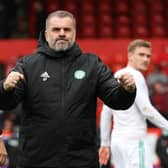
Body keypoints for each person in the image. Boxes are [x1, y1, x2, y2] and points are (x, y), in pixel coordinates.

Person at [0, 10, 136, 168]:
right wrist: (5, 88)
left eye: (67, 29)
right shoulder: (28, 65)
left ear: (75, 33)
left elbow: (117, 100)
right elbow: (7, 103)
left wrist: (127, 90)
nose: (62, 33)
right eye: (56, 29)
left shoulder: (92, 64)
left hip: (81, 160)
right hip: (35, 160)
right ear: (46, 33)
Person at [99, 39, 168, 168]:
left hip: (117, 142)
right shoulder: (135, 75)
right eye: (141, 54)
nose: (146, 59)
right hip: (135, 141)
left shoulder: (116, 75)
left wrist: (105, 143)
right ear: (130, 55)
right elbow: (146, 109)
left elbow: (105, 113)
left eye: (148, 56)